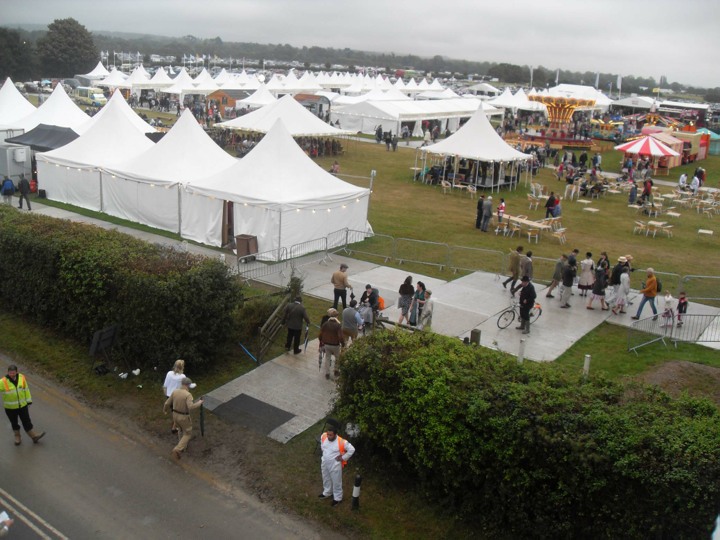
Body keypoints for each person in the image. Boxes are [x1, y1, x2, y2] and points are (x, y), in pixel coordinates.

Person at [1, 365, 45, 445]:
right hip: (10, 408)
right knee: (14, 423)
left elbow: (26, 389)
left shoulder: (22, 378)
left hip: (22, 406)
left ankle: (34, 436)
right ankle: (17, 436)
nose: (12, 374)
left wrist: (29, 400)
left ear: (16, 372)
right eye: (10, 373)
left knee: (26, 421)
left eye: (13, 373)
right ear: (8, 372)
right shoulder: (3, 381)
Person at [163, 377, 203, 460]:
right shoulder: (188, 395)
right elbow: (190, 407)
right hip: (183, 416)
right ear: (188, 385)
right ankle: (178, 449)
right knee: (187, 433)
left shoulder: (175, 392)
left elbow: (167, 403)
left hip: (175, 415)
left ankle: (182, 446)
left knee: (180, 429)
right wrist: (199, 402)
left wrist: (165, 410)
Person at [319, 425, 355, 506]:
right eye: (328, 434)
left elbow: (352, 449)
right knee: (326, 478)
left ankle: (337, 498)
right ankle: (327, 492)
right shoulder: (324, 436)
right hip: (324, 462)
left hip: (334, 465)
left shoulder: (341, 441)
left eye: (330, 435)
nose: (328, 436)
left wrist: (343, 458)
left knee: (336, 481)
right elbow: (322, 445)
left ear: (335, 434)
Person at [319, 309, 345, 380]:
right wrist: (343, 343)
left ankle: (327, 373)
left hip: (327, 344)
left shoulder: (325, 324)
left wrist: (321, 340)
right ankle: (336, 370)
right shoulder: (338, 325)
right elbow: (340, 336)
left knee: (327, 358)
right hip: (335, 345)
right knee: (337, 358)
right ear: (336, 317)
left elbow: (321, 334)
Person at [163, 359, 186, 434]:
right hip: (177, 397)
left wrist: (166, 396)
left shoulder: (169, 373)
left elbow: (165, 386)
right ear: (182, 367)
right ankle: (174, 428)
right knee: (179, 412)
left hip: (169, 396)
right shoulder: (183, 376)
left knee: (173, 410)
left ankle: (175, 424)